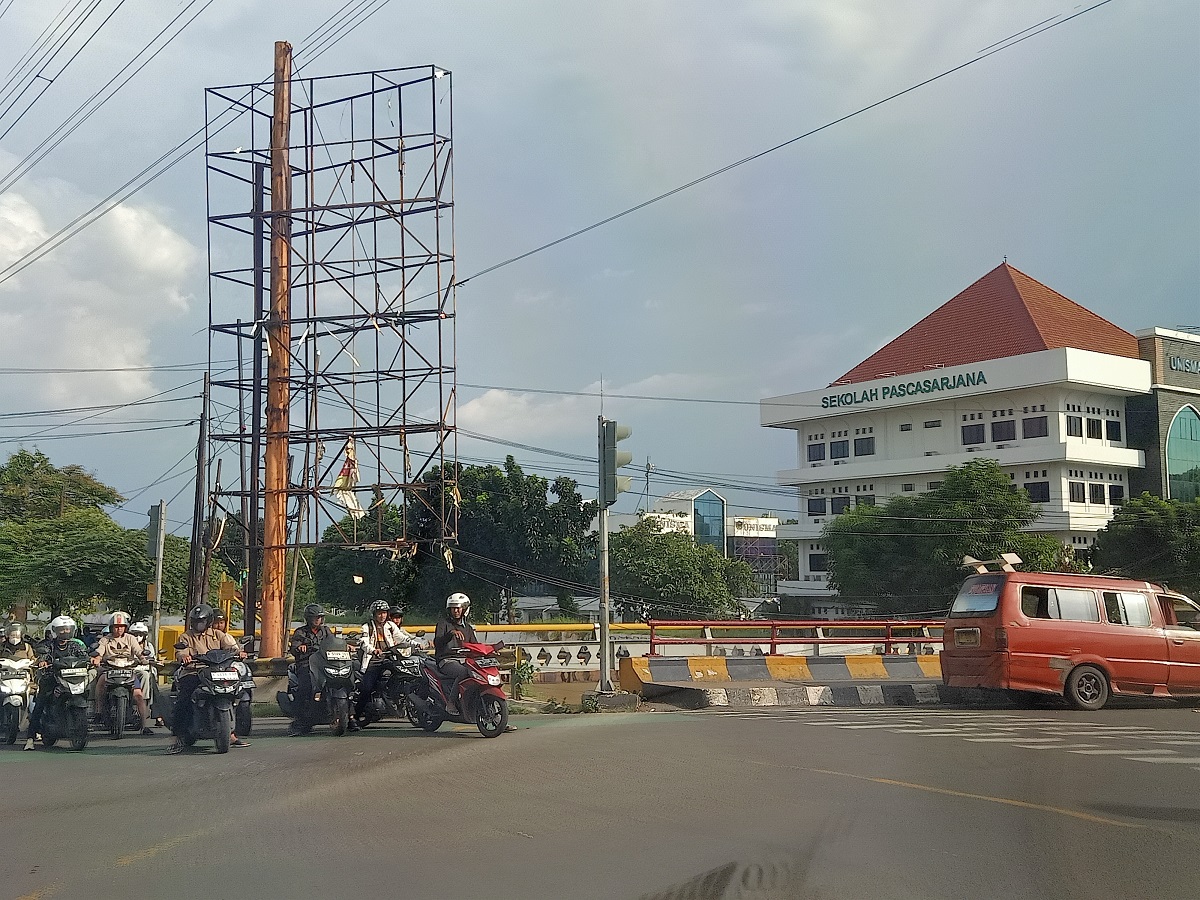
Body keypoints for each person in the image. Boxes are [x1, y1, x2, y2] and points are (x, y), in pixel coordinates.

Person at [166, 603, 246, 754]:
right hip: (194, 672)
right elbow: (181, 651)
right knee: (184, 698)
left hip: (217, 671)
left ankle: (231, 734)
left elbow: (231, 647)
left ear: (208, 621)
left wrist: (239, 652)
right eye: (196, 621)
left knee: (240, 691)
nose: (199, 624)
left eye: (201, 621)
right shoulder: (186, 636)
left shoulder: (218, 635)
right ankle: (176, 737)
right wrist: (184, 657)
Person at [28, 616, 88, 750]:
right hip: (51, 678)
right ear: (55, 631)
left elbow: (84, 656)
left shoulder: (75, 645)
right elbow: (42, 654)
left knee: (83, 692)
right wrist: (43, 661)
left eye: (68, 629)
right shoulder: (49, 645)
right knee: (41, 702)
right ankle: (30, 737)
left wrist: (90, 660)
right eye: (62, 629)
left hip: (71, 677)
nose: (65, 632)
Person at [91, 611, 154, 735]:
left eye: (121, 626)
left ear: (125, 627)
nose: (119, 629)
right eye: (116, 626)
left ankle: (144, 724)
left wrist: (144, 659)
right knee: (100, 682)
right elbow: (100, 651)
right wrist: (97, 658)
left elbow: (138, 651)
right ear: (111, 627)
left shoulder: (130, 638)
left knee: (138, 695)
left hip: (128, 671)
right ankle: (98, 711)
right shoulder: (105, 640)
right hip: (109, 670)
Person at [353, 599, 405, 725]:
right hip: (373, 662)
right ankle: (354, 717)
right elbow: (364, 643)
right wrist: (373, 650)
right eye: (379, 613)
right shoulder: (367, 627)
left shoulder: (390, 626)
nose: (382, 616)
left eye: (385, 613)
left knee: (403, 673)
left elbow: (403, 638)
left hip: (389, 659)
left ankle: (392, 697)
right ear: (374, 614)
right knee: (367, 689)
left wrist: (418, 644)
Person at [287, 603, 333, 736]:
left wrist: (346, 646)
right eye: (316, 617)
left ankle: (350, 716)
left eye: (320, 617)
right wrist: (299, 647)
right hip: (306, 664)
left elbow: (333, 642)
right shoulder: (300, 632)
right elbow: (294, 648)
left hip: (324, 663)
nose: (319, 620)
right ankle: (300, 720)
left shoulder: (326, 631)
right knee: (305, 687)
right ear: (309, 618)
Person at [434, 592, 478, 715]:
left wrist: (490, 651)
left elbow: (475, 645)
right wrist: (451, 634)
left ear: (464, 609)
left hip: (465, 660)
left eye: (458, 608)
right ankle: (451, 703)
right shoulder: (443, 624)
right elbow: (438, 642)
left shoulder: (468, 628)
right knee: (464, 672)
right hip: (446, 660)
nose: (456, 611)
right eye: (453, 608)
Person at [1, 623, 38, 750]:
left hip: (23, 679)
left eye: (17, 635)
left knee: (34, 701)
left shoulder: (27, 647)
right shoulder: (2, 647)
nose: (14, 637)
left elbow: (33, 659)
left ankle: (35, 727)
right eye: (12, 635)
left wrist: (36, 662)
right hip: (4, 679)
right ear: (7, 635)